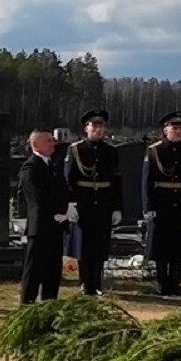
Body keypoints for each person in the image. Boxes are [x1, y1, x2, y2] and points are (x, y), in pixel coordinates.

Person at [142, 110, 181, 296]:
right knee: (161, 246)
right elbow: (147, 181)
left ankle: (175, 282)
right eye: (173, 128)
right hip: (162, 203)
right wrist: (149, 206)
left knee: (179, 245)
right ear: (165, 130)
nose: (177, 131)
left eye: (180, 128)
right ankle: (162, 282)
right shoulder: (155, 151)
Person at [64, 109, 123, 295]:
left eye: (101, 126)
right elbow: (69, 179)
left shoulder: (111, 151)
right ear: (86, 128)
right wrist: (70, 203)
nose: (98, 129)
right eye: (94, 126)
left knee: (100, 244)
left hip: (103, 202)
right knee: (83, 244)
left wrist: (117, 207)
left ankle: (97, 282)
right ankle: (84, 282)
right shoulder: (76, 149)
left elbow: (116, 181)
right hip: (84, 201)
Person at [19, 130, 70, 304]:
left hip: (56, 225)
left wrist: (66, 209)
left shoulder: (51, 164)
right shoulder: (31, 167)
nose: (53, 143)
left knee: (53, 271)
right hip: (40, 226)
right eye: (48, 140)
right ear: (37, 144)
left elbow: (61, 190)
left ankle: (49, 304)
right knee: (34, 270)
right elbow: (37, 197)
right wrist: (56, 211)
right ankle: (27, 305)